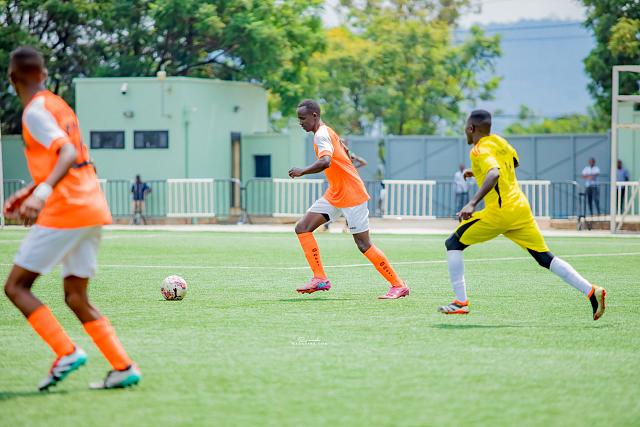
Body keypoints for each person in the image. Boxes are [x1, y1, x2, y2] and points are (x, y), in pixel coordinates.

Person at [2, 46, 141, 391]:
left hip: (66, 209)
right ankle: (123, 366)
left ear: (11, 77)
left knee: (16, 286)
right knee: (76, 297)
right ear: (44, 74)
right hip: (91, 205)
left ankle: (66, 351)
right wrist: (31, 190)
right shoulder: (58, 105)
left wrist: (41, 194)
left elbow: (66, 152)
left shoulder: (35, 111)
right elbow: (73, 159)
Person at [438, 110, 606, 320]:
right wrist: (477, 171)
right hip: (520, 209)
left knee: (453, 243)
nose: (465, 131)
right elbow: (513, 162)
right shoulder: (500, 141)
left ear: (471, 128)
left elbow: (494, 173)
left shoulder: (478, 149)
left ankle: (460, 302)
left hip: (499, 212)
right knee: (544, 258)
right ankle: (591, 291)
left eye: (465, 127)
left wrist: (472, 203)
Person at [289, 99, 409, 299]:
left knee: (363, 245)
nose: (300, 123)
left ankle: (398, 285)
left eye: (303, 118)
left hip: (352, 194)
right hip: (335, 193)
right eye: (299, 119)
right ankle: (320, 278)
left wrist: (303, 171)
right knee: (303, 227)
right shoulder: (327, 131)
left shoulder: (321, 135)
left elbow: (325, 161)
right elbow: (343, 150)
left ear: (314, 116)